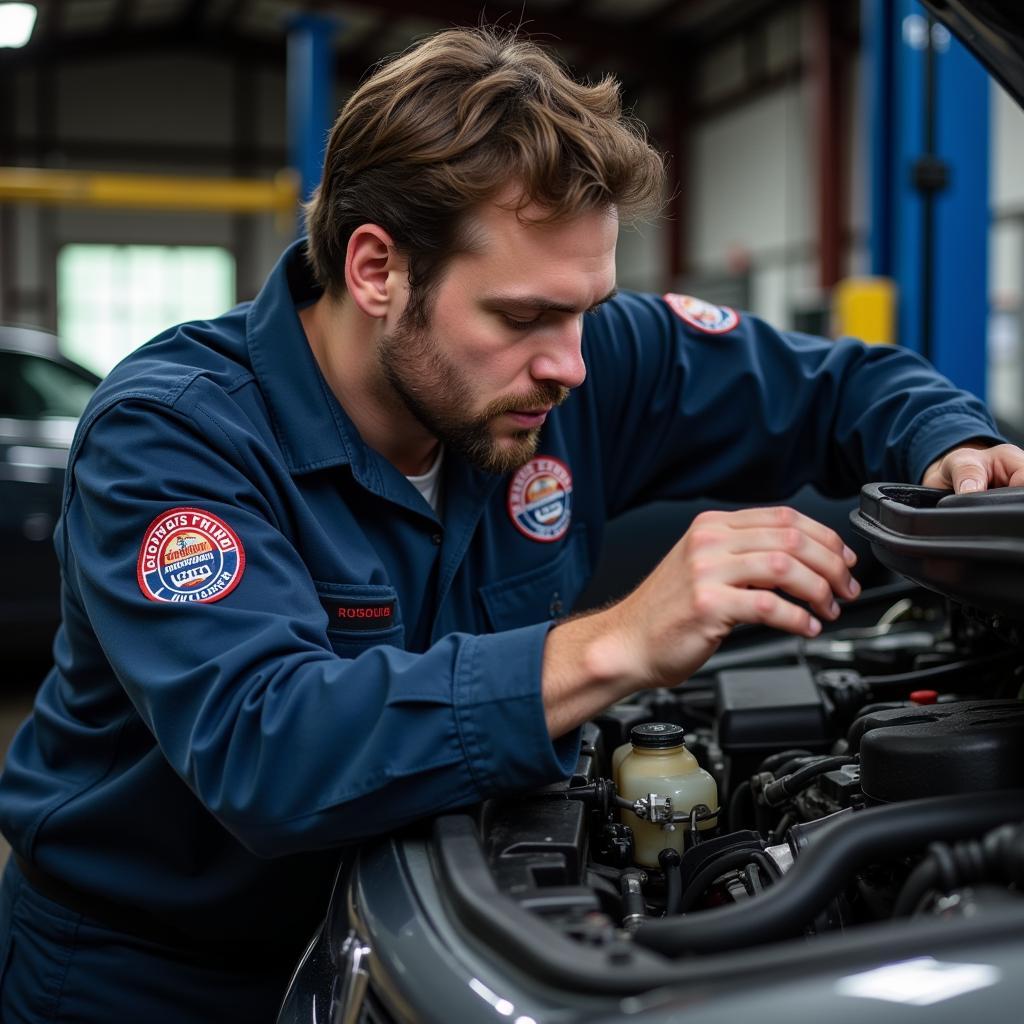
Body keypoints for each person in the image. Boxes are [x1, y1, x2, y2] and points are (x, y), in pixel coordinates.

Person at [1, 25, 1022, 1024]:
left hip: (419, 922)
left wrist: (949, 445)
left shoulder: (582, 361)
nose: (570, 364)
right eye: (524, 317)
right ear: (375, 270)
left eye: (586, 308)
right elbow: (268, 747)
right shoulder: (175, 434)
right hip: (149, 972)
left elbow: (839, 384)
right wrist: (621, 639)